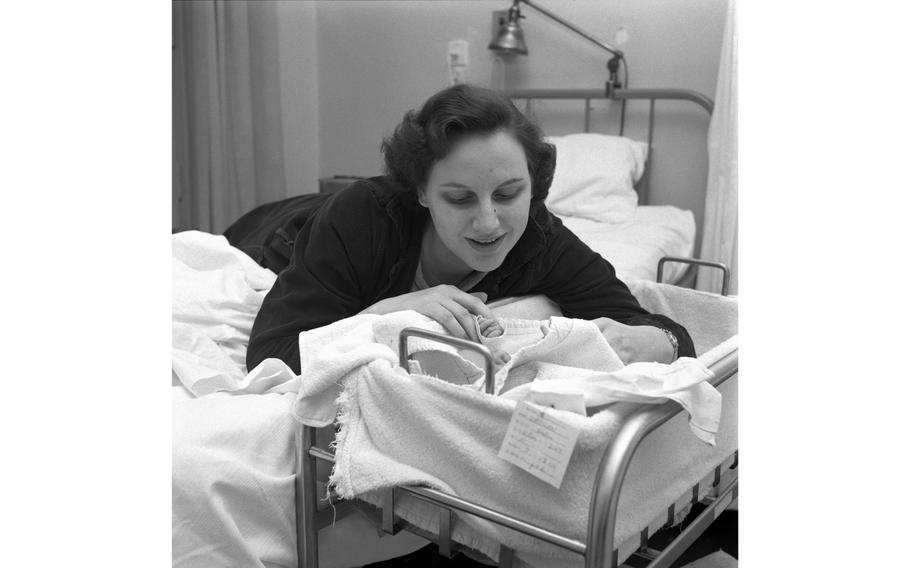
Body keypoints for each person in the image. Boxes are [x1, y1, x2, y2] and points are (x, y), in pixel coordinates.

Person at [224, 83, 694, 377]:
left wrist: (659, 341)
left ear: (535, 185)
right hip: (279, 234)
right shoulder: (361, 217)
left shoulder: (542, 242)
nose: (489, 222)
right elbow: (271, 354)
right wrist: (387, 314)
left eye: (509, 193)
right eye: (460, 198)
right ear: (421, 191)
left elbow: (663, 330)